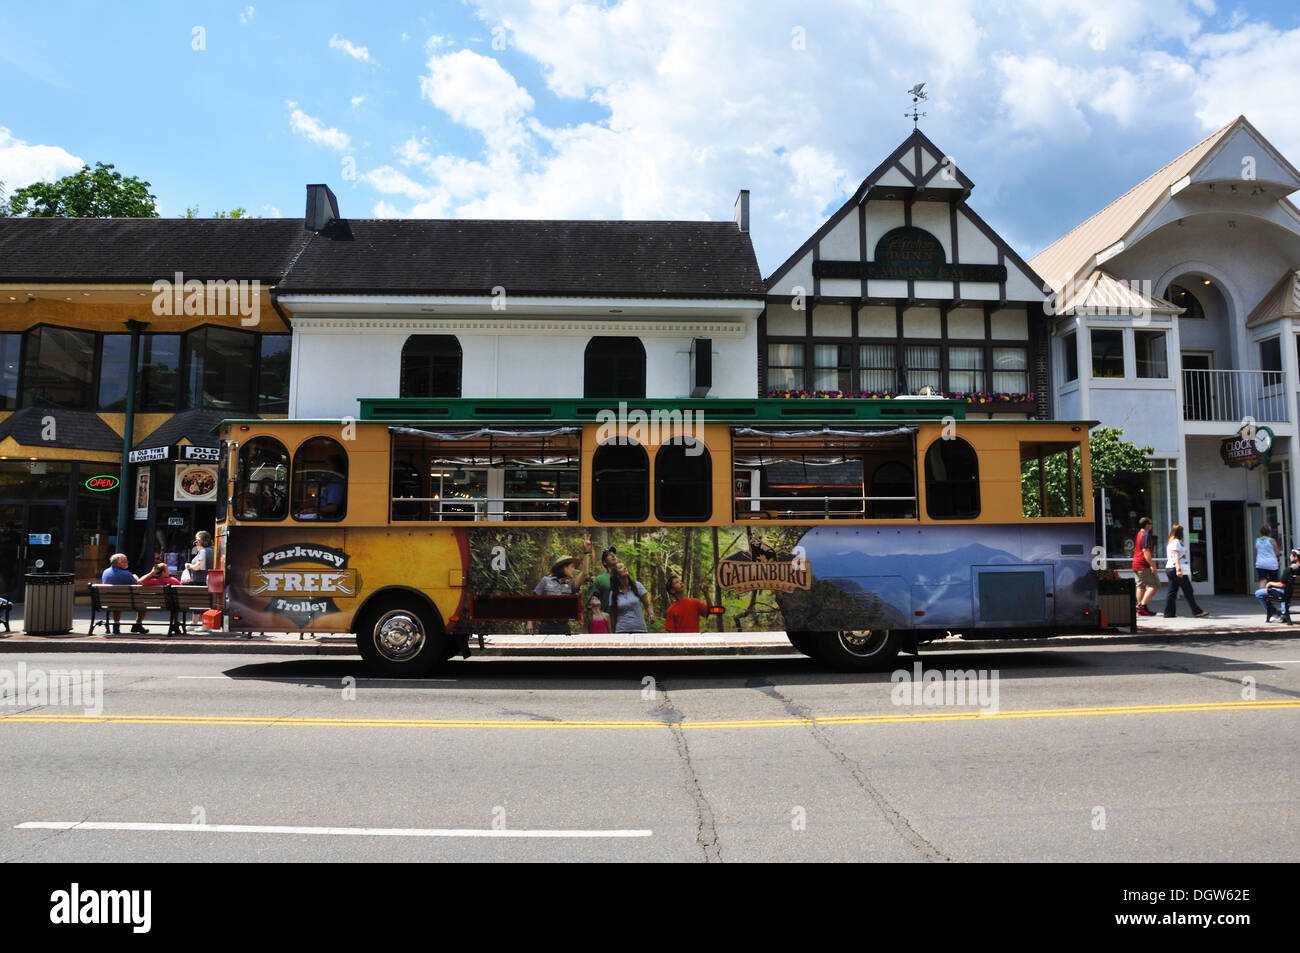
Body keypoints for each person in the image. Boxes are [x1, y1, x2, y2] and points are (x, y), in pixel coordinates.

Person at [532, 534, 591, 635]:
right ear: (564, 568)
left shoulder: (571, 585)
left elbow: (585, 573)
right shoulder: (546, 581)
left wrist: (586, 551)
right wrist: (529, 623)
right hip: (547, 626)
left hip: (563, 627)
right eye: (572, 567)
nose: (574, 570)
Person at [1163, 524, 1208, 618]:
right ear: (1180, 533)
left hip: (1170, 568)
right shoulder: (1175, 542)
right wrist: (1179, 569)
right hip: (1177, 568)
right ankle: (1196, 611)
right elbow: (1176, 556)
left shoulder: (1172, 542)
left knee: (1172, 591)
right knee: (1188, 590)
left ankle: (1169, 613)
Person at [101, 553, 146, 634]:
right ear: (118, 563)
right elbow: (138, 586)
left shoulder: (105, 572)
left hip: (109, 602)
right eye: (125, 562)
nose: (127, 563)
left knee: (117, 600)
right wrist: (135, 577)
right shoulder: (126, 574)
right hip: (127, 603)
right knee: (144, 603)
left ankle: (116, 624)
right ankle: (138, 624)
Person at [606, 561, 653, 633]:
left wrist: (651, 614)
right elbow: (613, 616)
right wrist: (612, 633)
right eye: (620, 567)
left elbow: (647, 605)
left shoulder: (637, 586)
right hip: (621, 630)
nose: (624, 568)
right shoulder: (613, 593)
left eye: (624, 566)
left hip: (639, 629)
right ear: (616, 575)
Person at [1256, 547, 1300, 622]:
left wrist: (1270, 583)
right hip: (1295, 593)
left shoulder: (1289, 570)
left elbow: (1281, 585)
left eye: (1291, 555)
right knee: (1287, 591)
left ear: (1295, 557)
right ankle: (1284, 613)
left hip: (1287, 593)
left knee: (1258, 593)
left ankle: (1273, 613)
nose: (1290, 556)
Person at [1131, 517, 1159, 616]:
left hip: (1135, 563)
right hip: (1143, 564)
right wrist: (1152, 565)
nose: (1152, 525)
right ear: (1147, 525)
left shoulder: (1138, 534)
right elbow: (1145, 551)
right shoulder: (1145, 535)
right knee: (1155, 585)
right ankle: (1142, 606)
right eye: (1151, 523)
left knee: (1141, 586)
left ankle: (1141, 610)